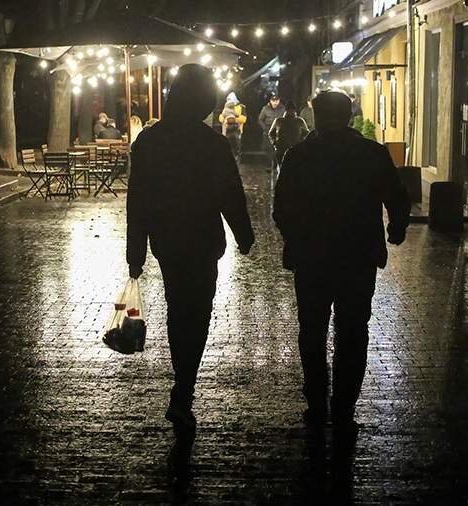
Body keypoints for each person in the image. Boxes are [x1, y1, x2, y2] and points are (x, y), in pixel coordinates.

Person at [127, 64, 255, 482]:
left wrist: (135, 251)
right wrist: (244, 234)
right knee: (196, 312)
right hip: (202, 240)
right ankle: (184, 384)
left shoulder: (150, 141)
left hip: (167, 240)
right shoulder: (211, 143)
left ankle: (182, 381)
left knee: (178, 306)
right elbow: (230, 193)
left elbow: (137, 200)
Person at [272, 91, 410, 434]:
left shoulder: (299, 155)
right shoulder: (372, 153)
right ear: (349, 116)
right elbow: (396, 196)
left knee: (312, 330)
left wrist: (296, 237)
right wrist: (396, 227)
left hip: (312, 257)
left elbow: (281, 207)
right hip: (358, 255)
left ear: (317, 117)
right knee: (353, 329)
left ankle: (317, 402)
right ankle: (345, 405)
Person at [268, 101, 309, 170]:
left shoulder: (279, 121)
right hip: (292, 148)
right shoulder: (299, 121)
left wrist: (275, 143)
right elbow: (306, 134)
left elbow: (271, 133)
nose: (290, 111)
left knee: (283, 169)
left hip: (285, 149)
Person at [257, 94, 285, 168]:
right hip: (268, 130)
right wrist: (265, 128)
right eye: (273, 101)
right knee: (267, 148)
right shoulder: (265, 109)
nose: (275, 103)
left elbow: (286, 119)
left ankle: (276, 164)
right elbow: (260, 119)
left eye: (276, 101)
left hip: (279, 131)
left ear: (279, 101)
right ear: (270, 101)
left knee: (279, 148)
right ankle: (269, 164)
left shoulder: (282, 109)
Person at [219, 95, 247, 161]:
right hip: (227, 130)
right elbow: (221, 117)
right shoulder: (226, 106)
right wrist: (225, 119)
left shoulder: (241, 107)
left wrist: (233, 120)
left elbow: (244, 119)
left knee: (237, 146)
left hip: (237, 130)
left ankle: (237, 160)